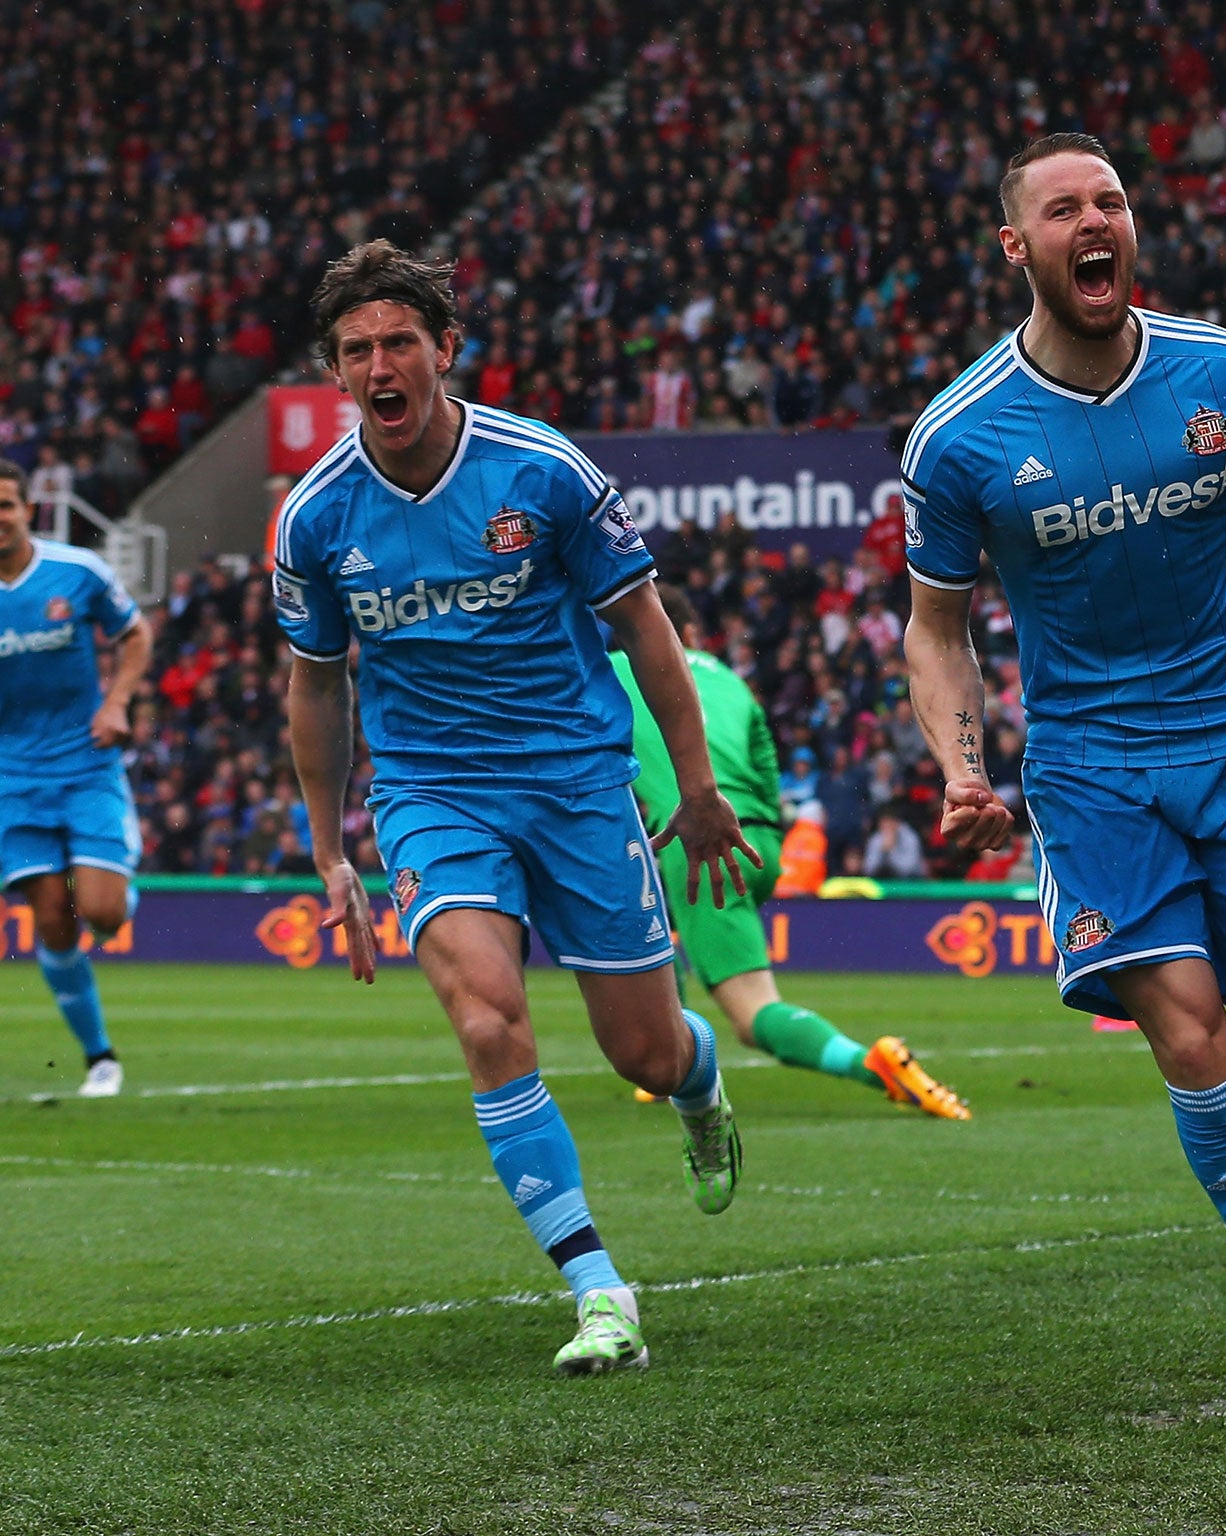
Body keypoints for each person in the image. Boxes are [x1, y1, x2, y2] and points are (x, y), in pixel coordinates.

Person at [898, 134, 1226, 1407]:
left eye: (1109, 200)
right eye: (1061, 209)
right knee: (1186, 1034)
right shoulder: (958, 439)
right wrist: (960, 772)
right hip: (1091, 774)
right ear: (1017, 247)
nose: (1092, 221)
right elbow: (935, 625)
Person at [274, 242, 758, 1373]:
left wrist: (695, 786)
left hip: (578, 783)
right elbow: (314, 685)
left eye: (399, 341)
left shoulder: (539, 469)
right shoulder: (314, 518)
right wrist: (328, 852)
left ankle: (698, 1082)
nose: (380, 365)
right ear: (336, 374)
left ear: (445, 349)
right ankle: (598, 1289)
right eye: (356, 351)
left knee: (641, 1052)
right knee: (487, 1017)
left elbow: (645, 628)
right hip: (430, 794)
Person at [615, 584, 968, 1120]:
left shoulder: (619, 671)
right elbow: (765, 768)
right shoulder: (732, 681)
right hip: (756, 840)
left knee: (755, 1014)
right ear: (691, 633)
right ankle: (666, 1063)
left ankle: (872, 1064)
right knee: (654, 923)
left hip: (700, 846)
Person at [0, 458, 151, 1097]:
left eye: (6, 504)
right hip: (12, 779)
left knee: (104, 915)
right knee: (53, 921)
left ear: (26, 509)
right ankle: (100, 1059)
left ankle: (119, 881)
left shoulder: (76, 573)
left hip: (86, 765)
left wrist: (115, 703)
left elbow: (136, 634)